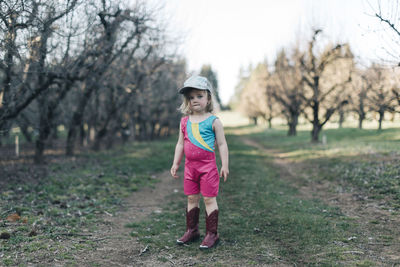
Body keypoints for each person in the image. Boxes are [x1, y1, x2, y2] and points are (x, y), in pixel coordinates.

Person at [170, 75, 229, 249]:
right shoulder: (184, 122)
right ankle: (192, 230)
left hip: (208, 167)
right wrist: (175, 163)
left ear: (208, 97)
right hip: (190, 168)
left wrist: (225, 165)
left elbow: (222, 144)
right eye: (191, 97)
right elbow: (180, 144)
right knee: (191, 198)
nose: (195, 100)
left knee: (209, 199)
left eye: (199, 96)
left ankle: (212, 234)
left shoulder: (214, 121)